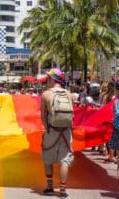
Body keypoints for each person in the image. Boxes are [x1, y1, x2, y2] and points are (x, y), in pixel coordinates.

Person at [40, 68, 74, 199]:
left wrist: (47, 128)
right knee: (64, 160)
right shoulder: (69, 94)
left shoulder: (46, 94)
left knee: (48, 158)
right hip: (66, 131)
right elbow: (72, 115)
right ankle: (63, 190)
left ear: (51, 79)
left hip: (52, 130)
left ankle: (49, 187)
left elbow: (43, 115)